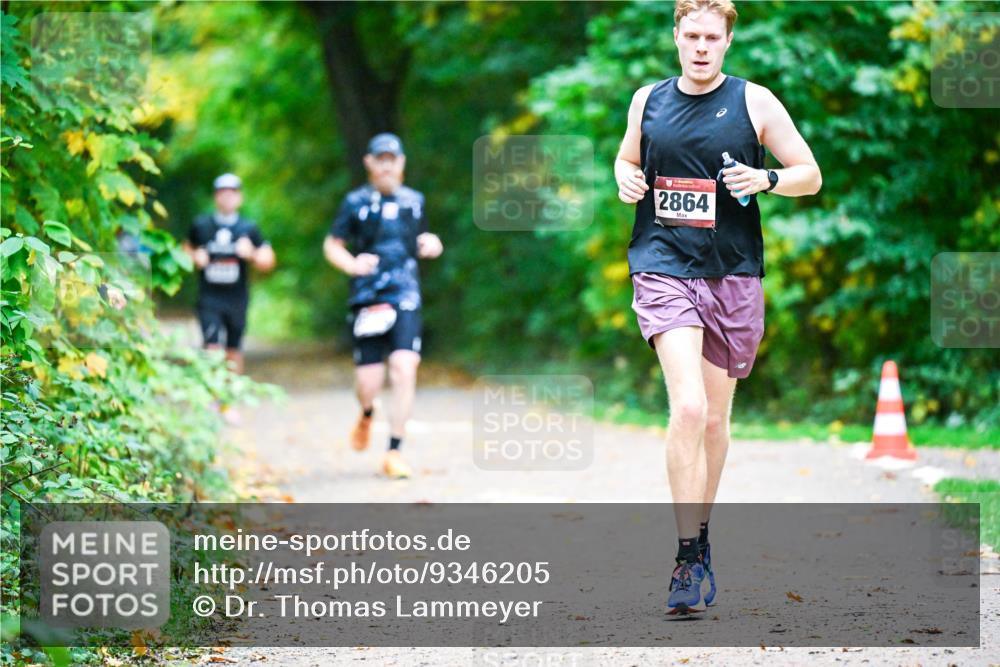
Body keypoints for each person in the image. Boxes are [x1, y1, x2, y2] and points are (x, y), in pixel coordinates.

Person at [614, 0, 822, 614]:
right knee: (689, 406)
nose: (701, 46)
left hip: (732, 274)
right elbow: (628, 160)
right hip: (662, 265)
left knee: (713, 422)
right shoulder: (646, 100)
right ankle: (685, 560)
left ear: (728, 41)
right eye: (691, 35)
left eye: (712, 37)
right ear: (676, 37)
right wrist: (624, 177)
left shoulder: (755, 102)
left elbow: (810, 172)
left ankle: (700, 539)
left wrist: (769, 181)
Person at [324, 133, 443, 480]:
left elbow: (425, 238)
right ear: (370, 163)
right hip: (368, 298)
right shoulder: (355, 202)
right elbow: (332, 245)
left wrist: (432, 244)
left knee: (405, 367)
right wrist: (350, 264)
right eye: (381, 158)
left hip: (405, 293)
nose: (387, 164)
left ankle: (394, 451)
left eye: (393, 158)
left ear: (402, 163)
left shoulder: (414, 201)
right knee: (369, 383)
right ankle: (366, 412)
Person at [184, 173, 276, 378]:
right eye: (222, 193)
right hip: (209, 297)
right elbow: (184, 250)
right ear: (215, 197)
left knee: (233, 349)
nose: (227, 198)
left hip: (237, 297)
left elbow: (268, 261)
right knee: (212, 346)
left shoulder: (248, 228)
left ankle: (231, 399)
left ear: (239, 197)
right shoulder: (201, 225)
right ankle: (214, 397)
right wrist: (194, 256)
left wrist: (251, 253)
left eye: (232, 193)